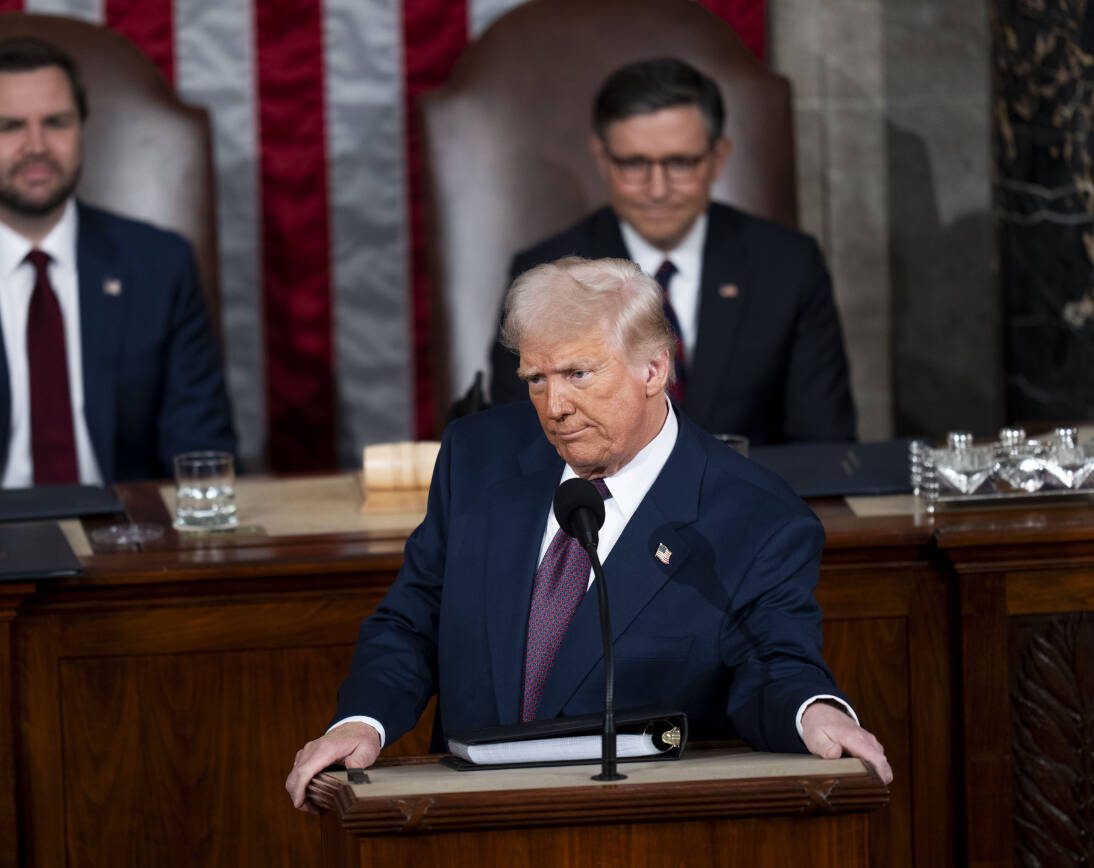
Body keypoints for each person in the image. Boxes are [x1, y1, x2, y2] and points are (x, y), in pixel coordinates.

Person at [286, 257, 890, 810]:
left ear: (654, 368)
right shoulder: (479, 457)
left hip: (636, 828)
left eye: (578, 373)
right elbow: (413, 619)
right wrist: (361, 722)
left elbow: (775, 663)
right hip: (464, 821)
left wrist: (815, 714)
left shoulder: (755, 516)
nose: (555, 406)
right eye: (536, 379)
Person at [0, 37, 236, 491]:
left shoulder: (159, 266)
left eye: (56, 122)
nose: (37, 146)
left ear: (81, 130)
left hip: (133, 543)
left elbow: (201, 461)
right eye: (10, 126)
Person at [487, 58, 856, 445]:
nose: (658, 189)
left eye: (680, 163)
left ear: (718, 158)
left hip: (748, 500)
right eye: (634, 164)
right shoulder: (545, 277)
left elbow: (824, 446)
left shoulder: (787, 265)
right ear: (602, 160)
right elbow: (520, 444)